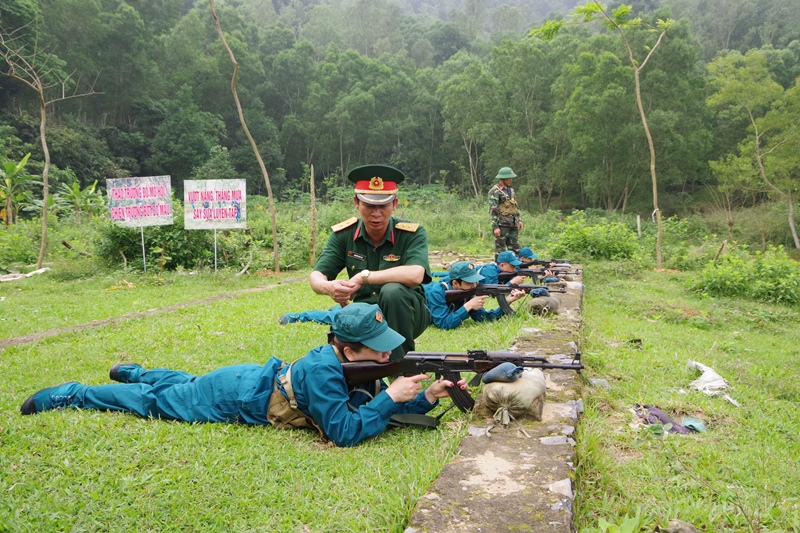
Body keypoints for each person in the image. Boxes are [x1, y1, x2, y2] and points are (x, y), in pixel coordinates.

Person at [20, 303, 465, 448]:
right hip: (234, 397)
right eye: (378, 347)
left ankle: (134, 369)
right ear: (349, 350)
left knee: (183, 383)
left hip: (250, 378)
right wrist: (392, 398)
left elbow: (370, 406)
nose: (389, 352)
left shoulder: (348, 362)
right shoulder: (325, 373)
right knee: (156, 402)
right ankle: (74, 394)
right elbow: (345, 432)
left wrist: (425, 394)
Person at [309, 164, 432, 361]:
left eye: (383, 206)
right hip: (365, 316)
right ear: (357, 203)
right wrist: (328, 286)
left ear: (395, 204)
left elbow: (415, 274)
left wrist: (364, 276)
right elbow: (316, 276)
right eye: (369, 206)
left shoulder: (412, 233)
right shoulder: (344, 234)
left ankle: (401, 368)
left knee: (393, 291)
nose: (376, 214)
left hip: (409, 314)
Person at [424, 261, 525, 330]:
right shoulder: (436, 292)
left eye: (475, 281)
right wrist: (468, 306)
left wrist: (508, 301)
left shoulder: (467, 292)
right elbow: (444, 324)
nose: (474, 286)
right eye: (469, 282)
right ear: (455, 283)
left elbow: (485, 318)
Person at [488, 166, 523, 258]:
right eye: (509, 178)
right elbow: (493, 210)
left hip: (513, 224)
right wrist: (495, 227)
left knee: (516, 248)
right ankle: (500, 269)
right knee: (501, 250)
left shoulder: (511, 190)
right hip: (502, 225)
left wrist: (519, 220)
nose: (511, 180)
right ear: (503, 179)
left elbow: (515, 206)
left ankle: (517, 268)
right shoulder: (494, 191)